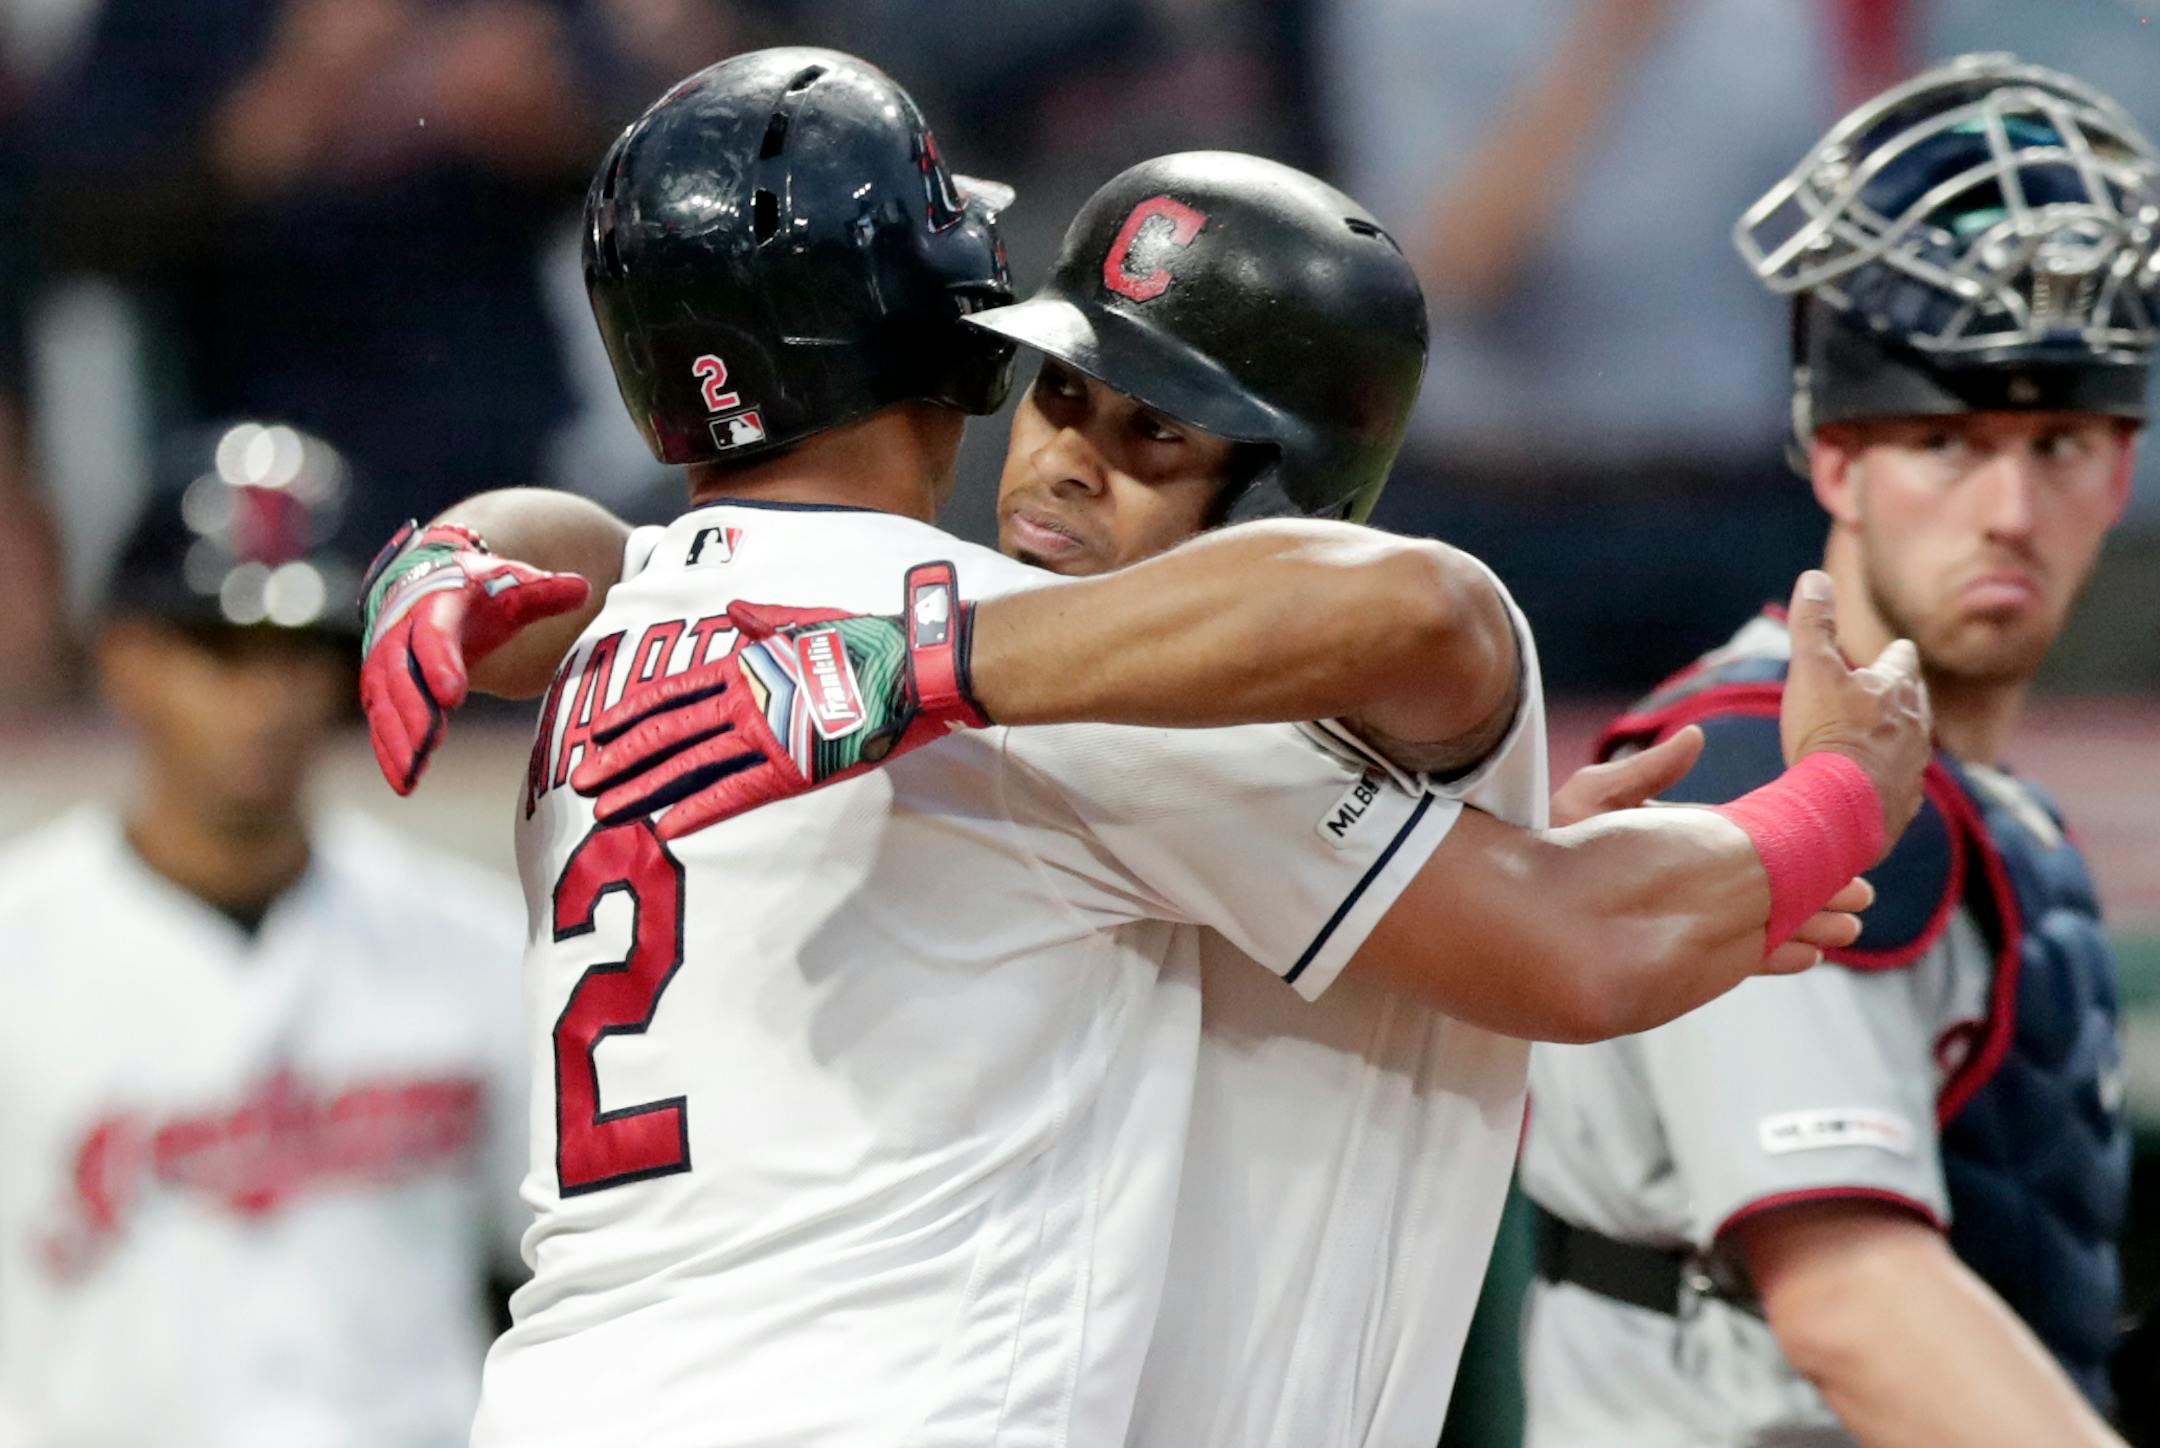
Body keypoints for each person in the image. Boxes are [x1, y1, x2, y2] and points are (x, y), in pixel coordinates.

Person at [357, 50, 1929, 1447]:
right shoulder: (1071, 694)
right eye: (1061, 392)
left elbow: (1387, 680)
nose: (1067, 464)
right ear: (959, 344)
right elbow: (1580, 927)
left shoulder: (609, 637)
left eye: (1155, 429)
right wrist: (1845, 795)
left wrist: (431, 550)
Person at [1518, 53, 2154, 1447]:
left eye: (2057, 441)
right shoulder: (1757, 771)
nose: (2007, 506)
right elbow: (1852, 1302)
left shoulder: (1985, 801)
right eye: (1944, 440)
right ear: (1836, 463)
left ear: (2120, 468)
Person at [0, 421, 529, 1446]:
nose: (266, 699)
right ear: (124, 658)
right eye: (219, 649)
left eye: (301, 652)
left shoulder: (469, 938)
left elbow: (577, 1257)